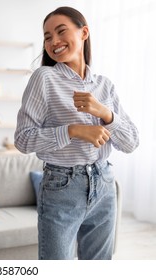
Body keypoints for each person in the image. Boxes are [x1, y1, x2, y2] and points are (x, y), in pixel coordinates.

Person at [14, 6, 139, 260]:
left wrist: (105, 113)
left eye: (61, 32)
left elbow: (131, 142)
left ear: (84, 33)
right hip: (62, 186)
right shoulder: (44, 78)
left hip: (104, 183)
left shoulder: (105, 85)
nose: (54, 42)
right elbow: (23, 139)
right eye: (47, 37)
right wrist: (73, 130)